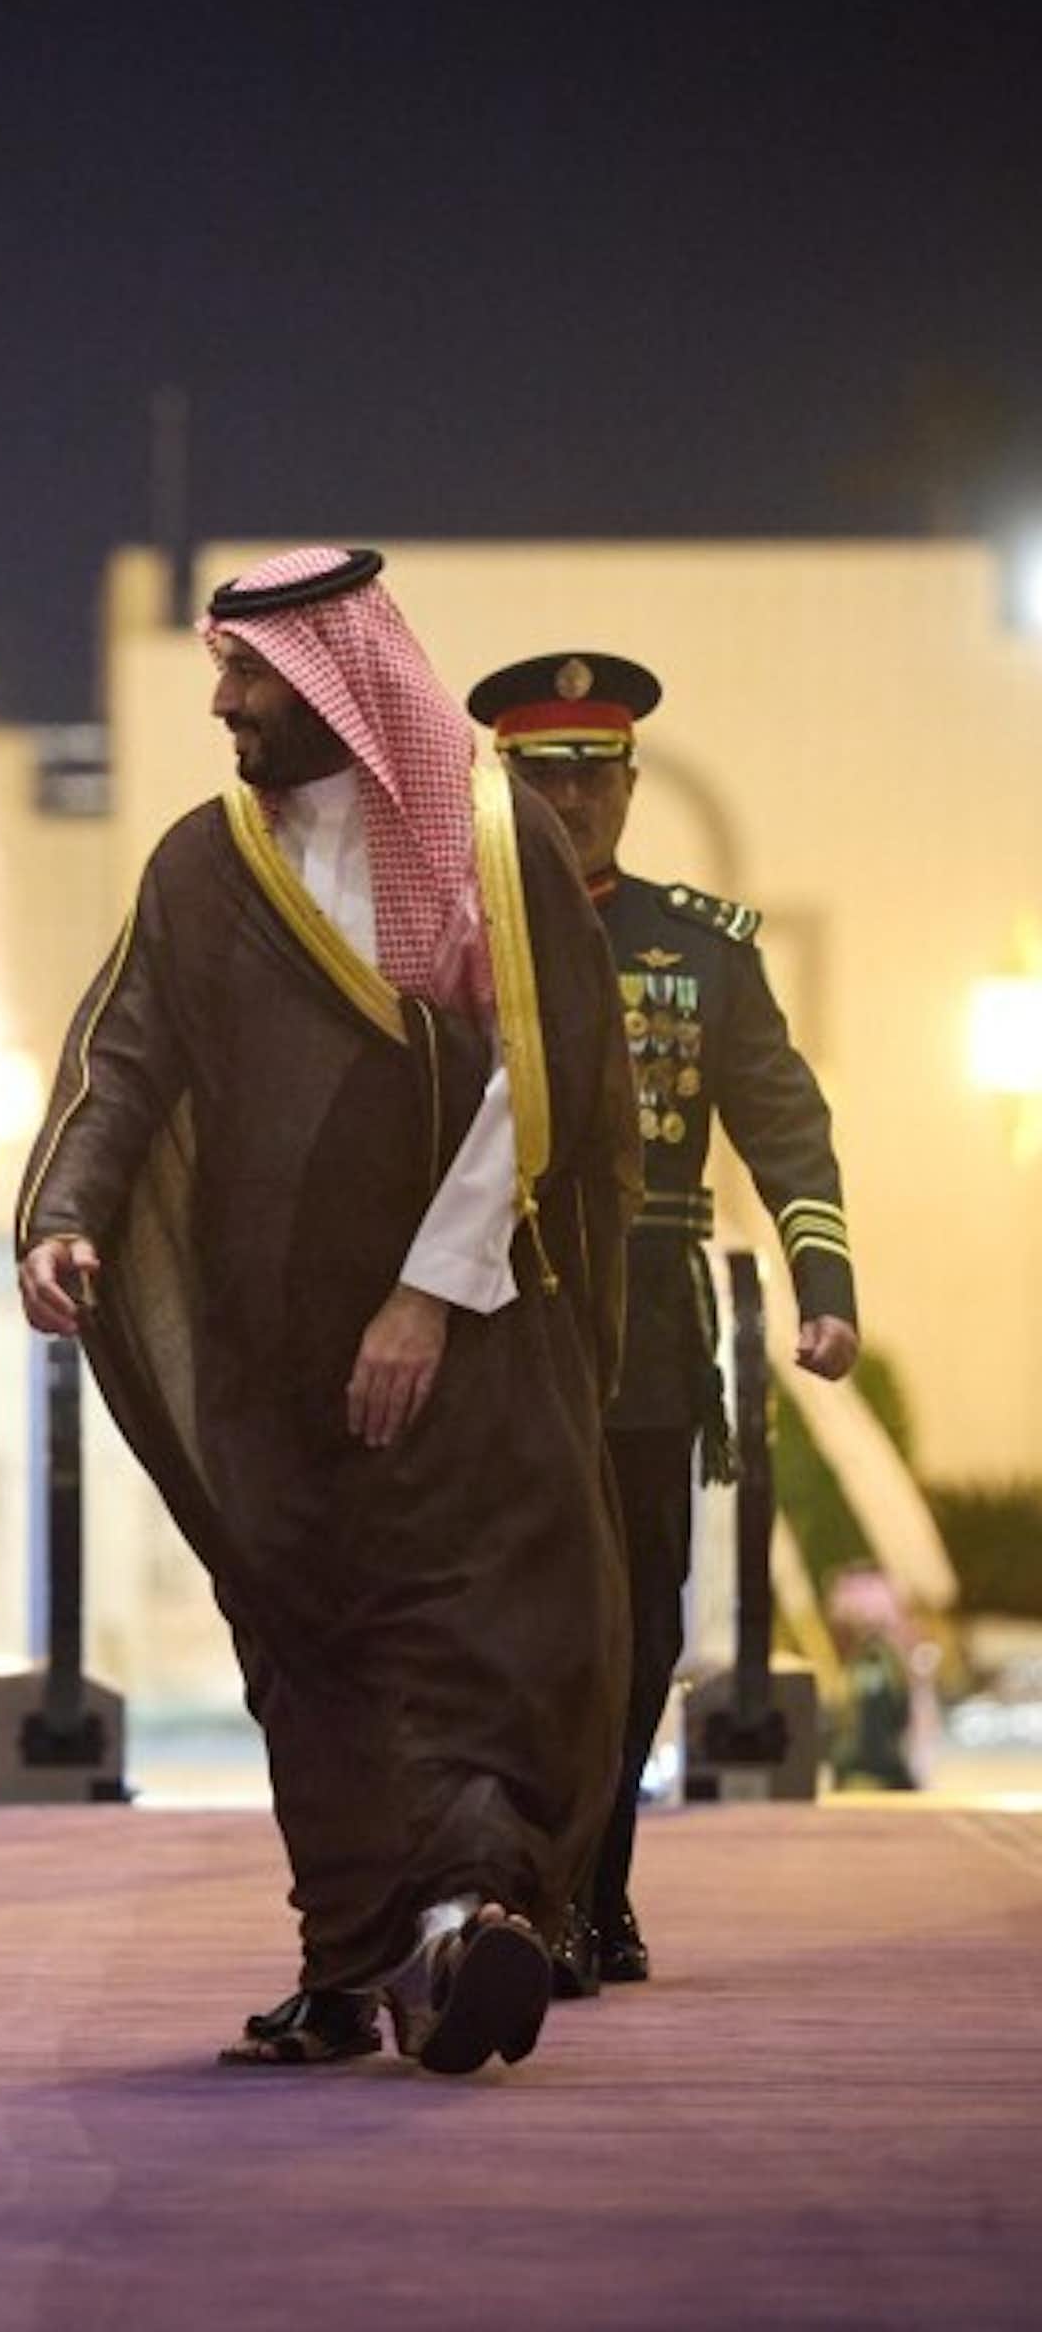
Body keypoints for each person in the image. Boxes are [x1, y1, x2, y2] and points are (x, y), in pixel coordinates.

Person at [16, 546, 636, 2077]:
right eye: (222, 672)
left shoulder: (500, 843)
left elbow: (540, 1088)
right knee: (311, 1647)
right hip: (275, 1350)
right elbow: (123, 1055)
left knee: (480, 1630)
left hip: (471, 1335)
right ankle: (354, 1961)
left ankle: (480, 1913)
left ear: (333, 684)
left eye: (249, 677)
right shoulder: (204, 863)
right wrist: (67, 1214)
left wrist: (423, 1298)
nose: (225, 704)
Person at [469, 648, 860, 1987]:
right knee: (514, 1628)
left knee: (634, 1627)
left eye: (593, 776)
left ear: (631, 787)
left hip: (644, 1343)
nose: (571, 802)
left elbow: (785, 1129)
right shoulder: (448, 939)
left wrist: (826, 1288)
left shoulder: (699, 953)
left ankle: (594, 1883)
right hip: (490, 1331)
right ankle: (531, 1892)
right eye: (543, 777)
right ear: (500, 785)